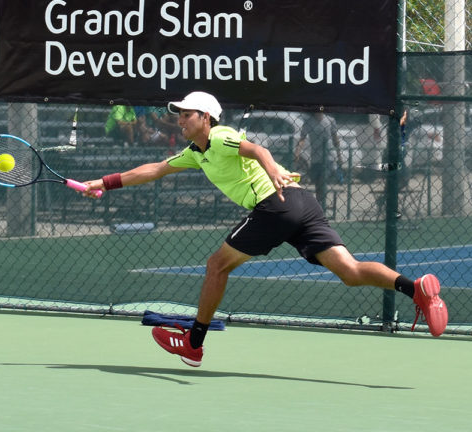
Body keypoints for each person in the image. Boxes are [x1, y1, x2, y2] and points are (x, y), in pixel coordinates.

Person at [81, 91, 448, 367]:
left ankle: (194, 343)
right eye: (178, 114)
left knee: (216, 266)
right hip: (302, 201)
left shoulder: (221, 135)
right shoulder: (196, 152)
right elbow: (154, 169)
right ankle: (414, 289)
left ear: (206, 117)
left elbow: (257, 149)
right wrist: (103, 182)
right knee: (350, 272)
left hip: (275, 204)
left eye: (186, 114)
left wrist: (272, 170)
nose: (179, 119)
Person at [295, 111, 343, 209]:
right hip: (315, 158)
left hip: (328, 157)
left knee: (323, 178)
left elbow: (335, 139)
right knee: (317, 182)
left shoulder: (330, 120)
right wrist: (297, 152)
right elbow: (302, 138)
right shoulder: (309, 122)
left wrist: (339, 156)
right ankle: (319, 204)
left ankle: (321, 205)